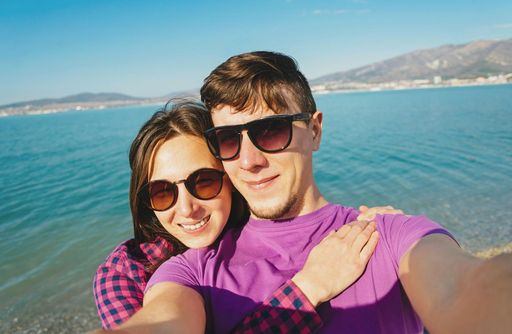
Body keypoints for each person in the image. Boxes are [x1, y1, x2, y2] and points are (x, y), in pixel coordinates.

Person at [99, 51, 512, 334]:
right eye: (227, 140)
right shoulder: (191, 270)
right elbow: (161, 321)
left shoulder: (386, 235)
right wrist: (308, 287)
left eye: (270, 131)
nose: (249, 160)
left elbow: (466, 287)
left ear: (314, 130)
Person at [92, 99, 400, 331]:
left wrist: (381, 226)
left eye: (204, 181)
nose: (186, 209)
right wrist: (310, 287)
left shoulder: (252, 234)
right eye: (162, 192)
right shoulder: (124, 273)